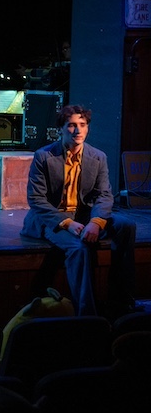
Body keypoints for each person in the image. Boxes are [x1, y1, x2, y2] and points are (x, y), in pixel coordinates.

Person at [20, 105, 137, 317]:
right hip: (53, 219)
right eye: (72, 125)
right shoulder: (44, 156)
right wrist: (68, 223)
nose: (78, 131)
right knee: (79, 248)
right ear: (61, 129)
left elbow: (104, 194)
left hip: (84, 216)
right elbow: (36, 199)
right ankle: (87, 315)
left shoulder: (98, 156)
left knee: (126, 226)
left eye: (82, 125)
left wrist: (97, 222)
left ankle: (121, 299)